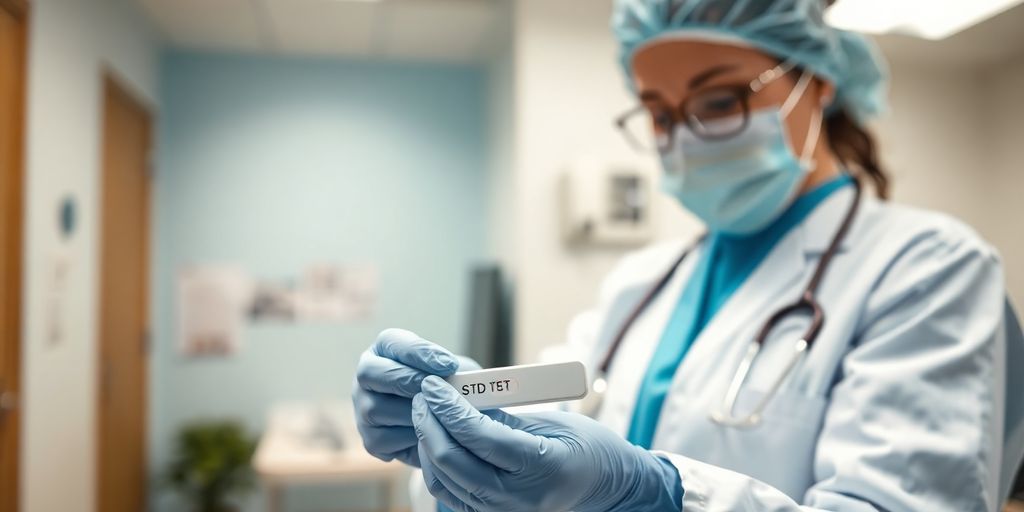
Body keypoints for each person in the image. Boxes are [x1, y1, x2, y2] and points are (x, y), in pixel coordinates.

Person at [351, 0, 1024, 510]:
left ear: (815, 82)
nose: (684, 137)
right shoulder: (642, 282)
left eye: (719, 99)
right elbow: (550, 448)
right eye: (660, 113)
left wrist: (664, 495)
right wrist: (465, 430)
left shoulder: (930, 268)